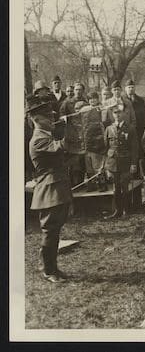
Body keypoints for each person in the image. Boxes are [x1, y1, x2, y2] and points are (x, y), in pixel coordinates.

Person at [27, 94, 72, 283]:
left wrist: (62, 125)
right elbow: (63, 147)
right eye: (47, 115)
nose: (52, 117)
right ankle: (48, 271)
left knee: (55, 231)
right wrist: (68, 124)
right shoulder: (38, 140)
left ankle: (52, 267)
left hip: (56, 188)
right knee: (50, 231)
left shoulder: (46, 134)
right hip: (49, 190)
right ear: (37, 119)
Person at [103, 104, 139, 219]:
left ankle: (126, 211)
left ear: (124, 114)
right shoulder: (109, 129)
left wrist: (133, 163)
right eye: (115, 113)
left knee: (125, 186)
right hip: (113, 163)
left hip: (126, 162)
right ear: (112, 115)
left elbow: (134, 148)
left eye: (119, 112)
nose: (117, 115)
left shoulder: (130, 129)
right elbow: (105, 148)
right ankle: (117, 211)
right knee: (116, 187)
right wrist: (106, 166)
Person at [80, 92, 107, 192]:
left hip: (98, 139)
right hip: (87, 139)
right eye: (90, 99)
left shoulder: (101, 109)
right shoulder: (84, 110)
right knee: (89, 165)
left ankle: (102, 184)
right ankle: (91, 184)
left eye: (94, 99)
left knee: (98, 164)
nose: (92, 101)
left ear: (97, 99)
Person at [64, 100, 87, 186]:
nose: (78, 111)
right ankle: (75, 183)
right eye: (76, 109)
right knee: (75, 164)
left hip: (86, 147)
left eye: (80, 108)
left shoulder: (88, 119)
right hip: (75, 149)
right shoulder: (71, 121)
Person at [124, 79, 145, 145]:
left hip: (139, 128)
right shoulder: (122, 100)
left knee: (139, 146)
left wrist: (143, 127)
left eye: (132, 87)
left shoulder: (140, 100)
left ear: (135, 88)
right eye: (129, 87)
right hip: (127, 127)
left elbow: (143, 115)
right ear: (125, 89)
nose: (131, 89)